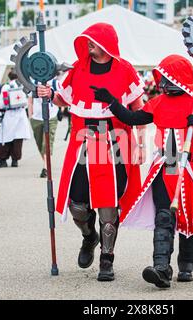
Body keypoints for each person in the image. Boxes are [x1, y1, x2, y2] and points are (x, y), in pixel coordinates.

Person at [91, 55, 193, 288]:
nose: (162, 83)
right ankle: (162, 268)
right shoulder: (159, 102)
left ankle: (186, 265)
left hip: (191, 166)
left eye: (166, 78)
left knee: (187, 218)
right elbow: (133, 118)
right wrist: (111, 101)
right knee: (164, 215)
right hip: (165, 165)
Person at [37, 23, 145, 281]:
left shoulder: (124, 69)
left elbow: (138, 107)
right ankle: (89, 237)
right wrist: (49, 93)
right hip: (84, 139)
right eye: (86, 40)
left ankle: (107, 259)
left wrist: (140, 144)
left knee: (109, 203)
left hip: (115, 141)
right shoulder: (78, 68)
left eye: (93, 40)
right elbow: (65, 98)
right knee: (77, 205)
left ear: (106, 43)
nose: (88, 44)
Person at [0, 71, 31, 167]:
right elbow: (26, 102)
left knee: (6, 137)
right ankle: (15, 160)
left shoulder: (6, 87)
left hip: (9, 114)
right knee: (18, 138)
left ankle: (3, 159)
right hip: (21, 114)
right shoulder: (23, 86)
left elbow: (1, 104)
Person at [28, 89, 58, 178]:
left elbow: (59, 98)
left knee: (47, 143)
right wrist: (31, 117)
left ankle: (45, 168)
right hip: (36, 118)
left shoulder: (54, 82)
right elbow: (30, 101)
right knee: (40, 144)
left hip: (51, 117)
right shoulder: (33, 84)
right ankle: (46, 163)